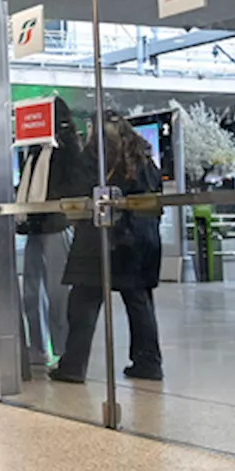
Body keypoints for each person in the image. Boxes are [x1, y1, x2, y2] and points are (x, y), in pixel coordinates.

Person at [51, 114, 164, 383]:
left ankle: (74, 366)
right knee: (139, 303)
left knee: (84, 301)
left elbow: (78, 195)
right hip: (141, 240)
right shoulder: (143, 160)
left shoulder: (93, 159)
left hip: (99, 240)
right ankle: (148, 363)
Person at [15, 97, 82, 368]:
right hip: (35, 225)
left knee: (58, 292)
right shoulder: (32, 151)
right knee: (31, 291)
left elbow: (74, 184)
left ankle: (64, 350)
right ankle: (38, 347)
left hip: (57, 224)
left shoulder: (67, 149)